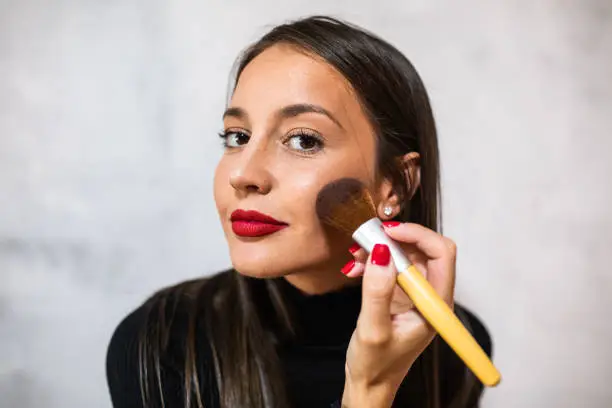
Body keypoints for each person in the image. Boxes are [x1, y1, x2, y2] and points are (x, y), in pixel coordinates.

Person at [106, 15, 492, 408]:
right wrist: (367, 393)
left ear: (393, 184)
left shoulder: (456, 350)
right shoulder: (162, 344)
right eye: (237, 137)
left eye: (303, 140)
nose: (243, 175)